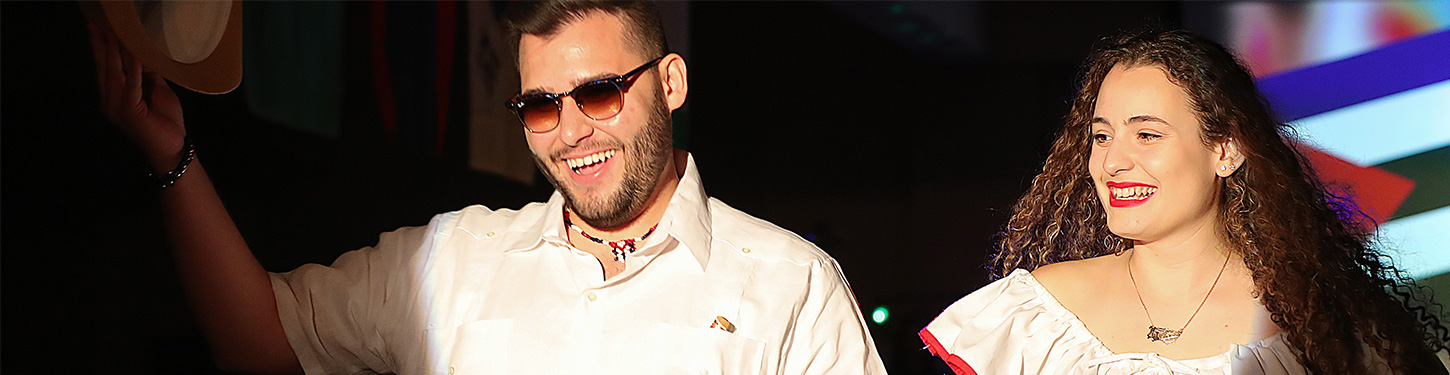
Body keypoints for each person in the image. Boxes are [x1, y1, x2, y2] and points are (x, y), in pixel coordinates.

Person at [88, 1, 887, 374]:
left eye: (601, 91)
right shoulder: (451, 261)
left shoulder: (790, 285)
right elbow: (260, 335)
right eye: (541, 104)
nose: (571, 129)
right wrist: (174, 157)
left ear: (669, 82)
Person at [920, 29, 1448, 375]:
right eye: (1101, 137)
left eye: (1147, 134)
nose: (1112, 163)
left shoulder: (1316, 326)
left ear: (1225, 150)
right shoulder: (1036, 316)